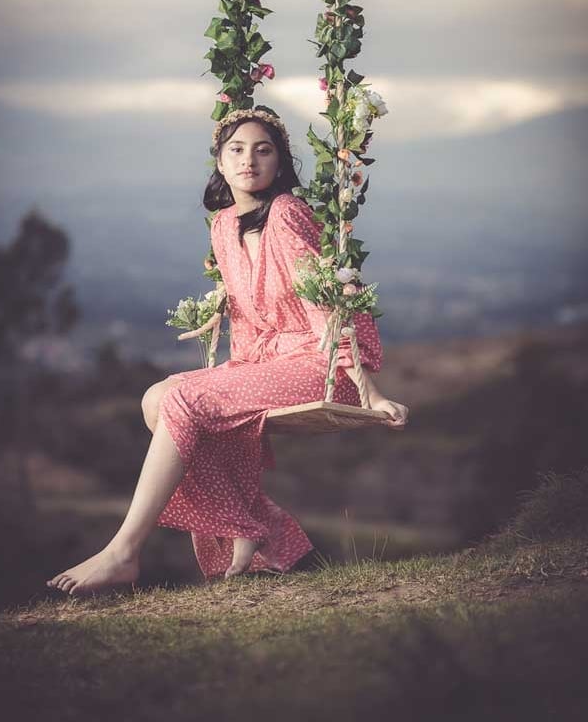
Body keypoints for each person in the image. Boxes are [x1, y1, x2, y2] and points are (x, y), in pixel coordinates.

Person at [46, 107, 409, 596]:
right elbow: (252, 303)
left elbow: (328, 301)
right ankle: (251, 524)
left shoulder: (287, 214)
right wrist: (220, 307)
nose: (249, 161)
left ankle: (123, 551)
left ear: (280, 164)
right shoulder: (222, 226)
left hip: (317, 362)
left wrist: (368, 390)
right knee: (156, 398)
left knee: (182, 402)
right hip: (266, 362)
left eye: (264, 150)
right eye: (236, 150)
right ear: (219, 162)